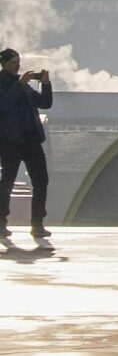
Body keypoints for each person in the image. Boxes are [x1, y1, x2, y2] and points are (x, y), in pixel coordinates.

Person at [0, 49, 54, 249]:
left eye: (18, 62)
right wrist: (20, 84)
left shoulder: (24, 86)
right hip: (10, 142)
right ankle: (1, 222)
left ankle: (37, 223)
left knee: (41, 180)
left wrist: (45, 83)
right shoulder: (7, 84)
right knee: (7, 181)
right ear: (4, 63)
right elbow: (4, 105)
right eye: (13, 62)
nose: (17, 66)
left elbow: (45, 103)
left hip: (32, 140)